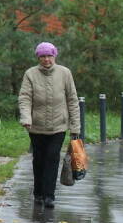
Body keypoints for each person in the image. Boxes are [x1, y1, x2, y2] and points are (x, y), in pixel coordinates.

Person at [18, 41, 81, 208]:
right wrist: (26, 118)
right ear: (38, 58)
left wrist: (75, 127)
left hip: (58, 126)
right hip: (36, 126)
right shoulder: (30, 74)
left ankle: (49, 196)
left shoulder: (65, 73)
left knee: (52, 158)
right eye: (43, 56)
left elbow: (72, 100)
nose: (46, 59)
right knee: (39, 159)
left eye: (49, 56)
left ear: (55, 56)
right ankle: (38, 193)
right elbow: (25, 98)